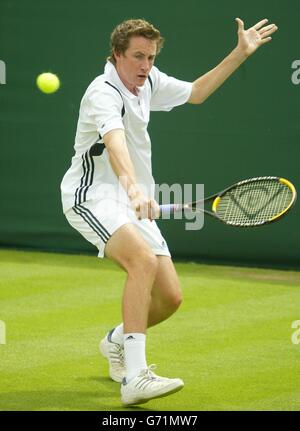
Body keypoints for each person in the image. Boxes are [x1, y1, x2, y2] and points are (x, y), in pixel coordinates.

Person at [60, 18, 277, 406]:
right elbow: (115, 143)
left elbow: (195, 93)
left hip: (132, 200)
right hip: (93, 196)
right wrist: (132, 189)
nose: (145, 65)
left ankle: (116, 343)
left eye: (151, 57)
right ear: (117, 55)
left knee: (170, 297)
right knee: (142, 262)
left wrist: (240, 53)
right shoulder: (102, 93)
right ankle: (135, 379)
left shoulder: (149, 82)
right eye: (138, 57)